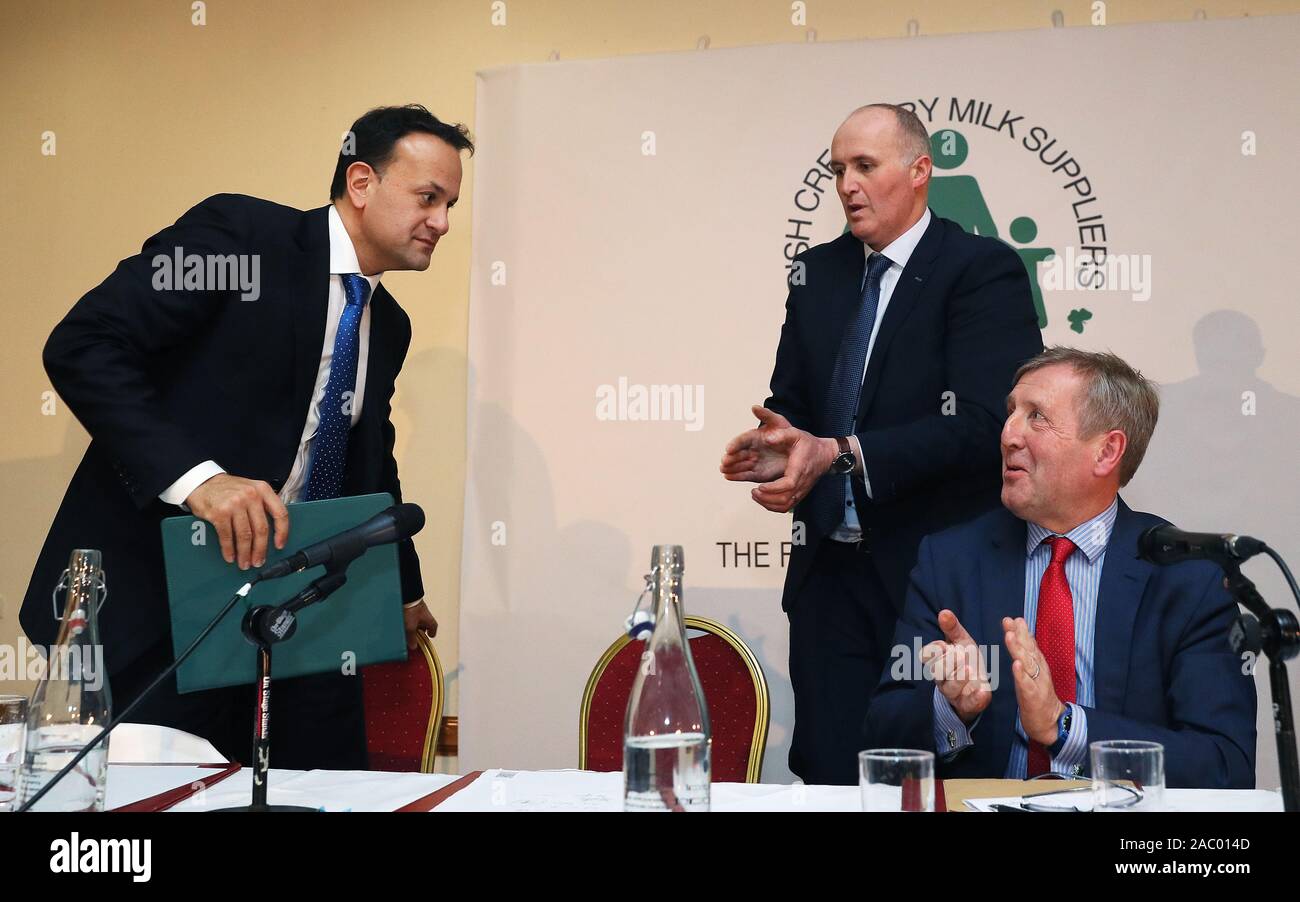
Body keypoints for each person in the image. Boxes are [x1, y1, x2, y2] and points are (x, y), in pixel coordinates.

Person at [20, 104, 470, 769]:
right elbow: (85, 345)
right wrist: (200, 480)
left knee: (327, 787)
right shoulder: (241, 241)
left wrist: (399, 586)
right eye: (428, 197)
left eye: (451, 204)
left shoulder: (388, 324)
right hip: (163, 605)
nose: (443, 222)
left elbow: (366, 458)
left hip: (301, 612)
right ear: (362, 183)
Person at [720, 103, 1041, 784]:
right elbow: (795, 407)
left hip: (933, 584)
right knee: (830, 775)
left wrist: (838, 453)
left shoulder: (981, 270)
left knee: (938, 777)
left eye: (865, 166)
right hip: (827, 584)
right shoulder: (818, 273)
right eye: (838, 169)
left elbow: (985, 425)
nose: (846, 184)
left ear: (921, 171)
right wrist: (780, 452)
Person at [864, 347, 1256, 788]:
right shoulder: (951, 560)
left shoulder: (1187, 577)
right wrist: (951, 708)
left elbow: (1224, 765)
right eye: (1011, 412)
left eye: (1037, 417)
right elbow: (882, 736)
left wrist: (1063, 725)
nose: (1008, 434)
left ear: (1107, 451)